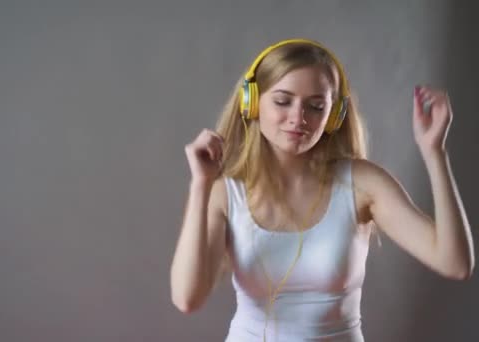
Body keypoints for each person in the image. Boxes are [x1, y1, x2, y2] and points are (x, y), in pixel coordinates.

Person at [169, 38, 475, 341]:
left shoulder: (362, 184)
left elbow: (455, 263)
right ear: (252, 102)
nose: (298, 118)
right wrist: (201, 185)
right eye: (282, 100)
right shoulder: (226, 193)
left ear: (334, 115)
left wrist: (434, 152)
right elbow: (187, 299)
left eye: (316, 106)